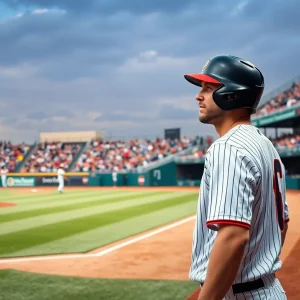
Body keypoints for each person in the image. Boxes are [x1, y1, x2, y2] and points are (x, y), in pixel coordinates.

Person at [184, 55, 289, 300]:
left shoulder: (228, 147)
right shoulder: (265, 145)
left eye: (208, 89)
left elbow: (233, 236)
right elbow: (282, 224)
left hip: (241, 295)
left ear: (232, 94)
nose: (198, 96)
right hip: (267, 290)